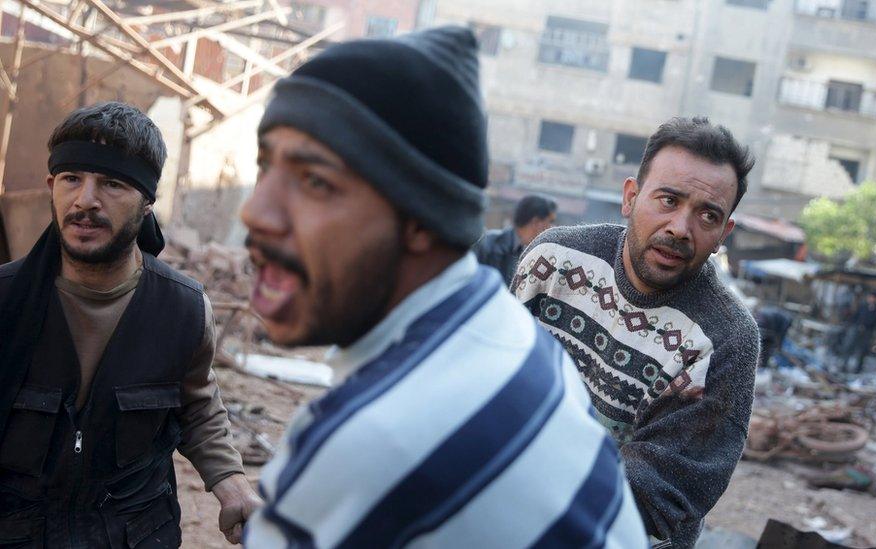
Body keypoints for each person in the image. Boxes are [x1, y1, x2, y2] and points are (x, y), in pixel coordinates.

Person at [240, 27, 646, 547]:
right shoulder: (506, 329)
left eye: (315, 182)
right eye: (265, 165)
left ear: (420, 220)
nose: (255, 211)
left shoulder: (368, 444)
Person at [0, 102, 260, 547]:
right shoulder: (6, 299)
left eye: (112, 184)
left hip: (132, 534)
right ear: (51, 186)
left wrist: (230, 480)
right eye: (71, 179)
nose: (85, 201)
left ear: (146, 204)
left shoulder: (180, 309)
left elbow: (196, 403)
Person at [513, 117, 760, 548]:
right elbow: (497, 382)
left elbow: (656, 490)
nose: (681, 228)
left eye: (708, 215)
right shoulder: (553, 262)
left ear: (724, 233)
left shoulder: (727, 339)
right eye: (668, 200)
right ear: (630, 197)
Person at [474, 194, 557, 285]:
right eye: (550, 221)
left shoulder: (530, 254)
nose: (551, 228)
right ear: (536, 222)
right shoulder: (488, 244)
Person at [839, 290, 876, 373]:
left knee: (862, 350)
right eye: (871, 297)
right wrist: (851, 325)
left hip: (867, 332)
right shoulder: (862, 306)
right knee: (849, 346)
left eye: (874, 298)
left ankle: (858, 368)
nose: (872, 299)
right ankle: (844, 365)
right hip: (857, 329)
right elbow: (855, 317)